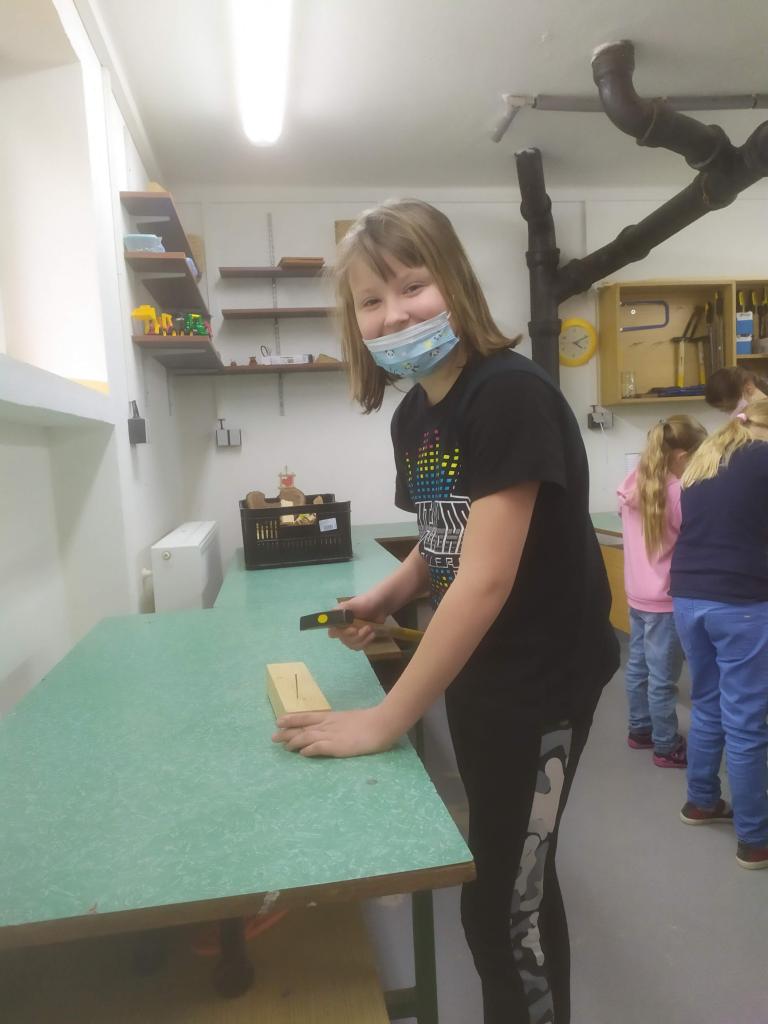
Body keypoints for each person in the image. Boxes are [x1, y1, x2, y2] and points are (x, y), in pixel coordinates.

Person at [272, 198, 620, 1022]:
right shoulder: (417, 415)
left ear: (455, 283)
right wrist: (386, 596)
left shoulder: (508, 395)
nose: (394, 314)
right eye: (371, 300)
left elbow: (486, 580)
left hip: (540, 687)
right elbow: (445, 539)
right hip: (477, 674)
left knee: (504, 908)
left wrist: (385, 717)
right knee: (509, 872)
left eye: (412, 286)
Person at [670, 400, 768, 870]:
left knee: (707, 702)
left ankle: (702, 801)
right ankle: (755, 838)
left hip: (688, 598)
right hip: (740, 602)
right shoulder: (763, 458)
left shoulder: (706, 459)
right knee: (746, 720)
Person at [617, 416, 706, 767]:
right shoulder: (677, 493)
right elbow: (696, 535)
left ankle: (640, 729)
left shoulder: (634, 482)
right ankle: (666, 745)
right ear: (682, 457)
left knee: (638, 667)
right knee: (663, 678)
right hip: (665, 601)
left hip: (637, 594)